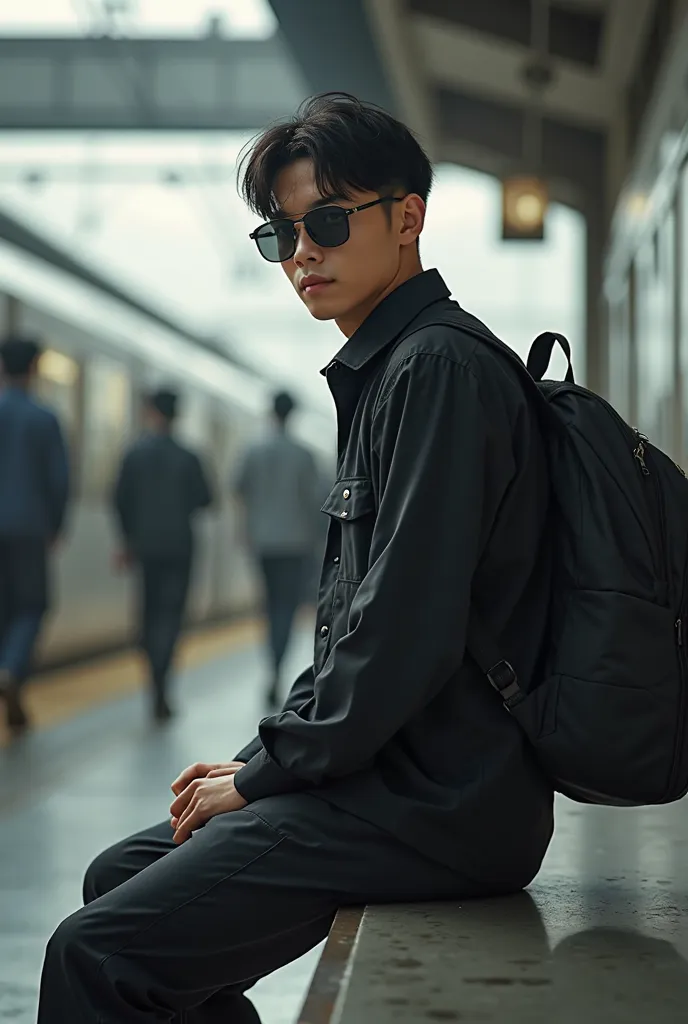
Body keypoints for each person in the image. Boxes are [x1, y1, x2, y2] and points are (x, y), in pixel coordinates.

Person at [38, 93, 555, 1022]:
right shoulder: (390, 370)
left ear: (408, 219)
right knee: (116, 874)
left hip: (439, 804)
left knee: (95, 953)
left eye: (324, 221)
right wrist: (253, 761)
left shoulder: (434, 371)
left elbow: (405, 630)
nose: (302, 254)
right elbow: (355, 627)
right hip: (398, 782)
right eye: (281, 236)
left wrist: (268, 776)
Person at [112, 389, 213, 722]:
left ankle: (153, 679)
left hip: (144, 547)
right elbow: (206, 500)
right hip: (180, 547)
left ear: (151, 411)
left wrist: (127, 541)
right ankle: (162, 685)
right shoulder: (188, 456)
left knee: (148, 614)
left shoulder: (134, 453)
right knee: (170, 616)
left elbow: (120, 500)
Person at [234, 389, 322, 707]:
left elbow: (240, 491)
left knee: (269, 605)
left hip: (262, 542)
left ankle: (270, 663)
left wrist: (246, 529)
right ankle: (276, 667)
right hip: (296, 544)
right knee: (286, 606)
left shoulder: (252, 451)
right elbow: (316, 502)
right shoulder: (304, 455)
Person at [0, 336, 69, 735]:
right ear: (33, 370)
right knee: (31, 607)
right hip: (28, 529)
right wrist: (55, 526)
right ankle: (10, 671)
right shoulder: (44, 418)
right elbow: (58, 480)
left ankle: (10, 681)